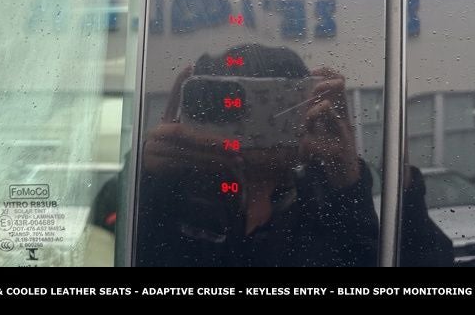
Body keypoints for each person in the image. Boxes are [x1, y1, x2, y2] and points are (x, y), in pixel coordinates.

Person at [133, 43, 453, 266]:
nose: (252, 122)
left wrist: (351, 180)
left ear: (310, 106)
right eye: (227, 102)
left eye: (274, 101)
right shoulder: (172, 195)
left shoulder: (328, 202)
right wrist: (145, 178)